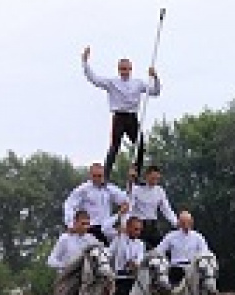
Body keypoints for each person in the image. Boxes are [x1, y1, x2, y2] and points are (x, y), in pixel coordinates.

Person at [81, 46, 161, 182]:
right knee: (114, 147)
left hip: (132, 118)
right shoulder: (112, 82)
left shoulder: (138, 83)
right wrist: (85, 62)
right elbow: (94, 79)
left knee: (140, 146)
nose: (125, 72)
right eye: (122, 69)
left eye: (127, 69)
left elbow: (155, 92)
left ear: (131, 69)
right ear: (119, 70)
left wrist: (155, 77)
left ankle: (136, 174)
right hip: (119, 117)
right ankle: (105, 176)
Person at [44, 210, 101, 295]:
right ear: (75, 223)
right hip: (68, 279)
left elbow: (103, 254)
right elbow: (51, 260)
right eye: (83, 223)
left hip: (88, 279)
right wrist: (66, 266)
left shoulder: (92, 240)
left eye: (88, 224)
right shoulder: (65, 239)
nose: (86, 226)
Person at [63, 163, 128, 245]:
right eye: (95, 176)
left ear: (103, 176)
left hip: (105, 229)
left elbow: (125, 201)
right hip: (89, 229)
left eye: (100, 176)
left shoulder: (110, 189)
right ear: (90, 176)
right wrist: (71, 224)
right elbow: (69, 205)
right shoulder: (83, 189)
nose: (97, 178)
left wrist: (123, 220)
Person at [154, 211, 212, 295]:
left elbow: (205, 253)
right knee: (167, 292)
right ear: (179, 223)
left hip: (193, 269)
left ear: (192, 222)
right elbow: (159, 251)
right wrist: (163, 262)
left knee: (207, 287)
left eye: (188, 222)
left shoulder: (198, 237)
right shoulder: (171, 236)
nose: (186, 225)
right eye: (183, 222)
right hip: (176, 269)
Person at [106, 215, 145, 295]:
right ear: (127, 228)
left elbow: (140, 259)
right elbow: (108, 254)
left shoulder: (140, 244)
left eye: (139, 230)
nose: (138, 232)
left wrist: (136, 264)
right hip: (120, 279)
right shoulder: (118, 240)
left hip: (135, 280)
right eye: (135, 229)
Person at [127, 165, 178, 250]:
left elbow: (167, 210)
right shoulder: (136, 189)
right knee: (143, 249)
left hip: (153, 226)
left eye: (157, 179)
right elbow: (128, 207)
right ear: (147, 176)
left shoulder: (159, 191)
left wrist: (176, 223)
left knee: (162, 249)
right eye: (153, 178)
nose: (155, 181)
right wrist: (125, 223)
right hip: (139, 226)